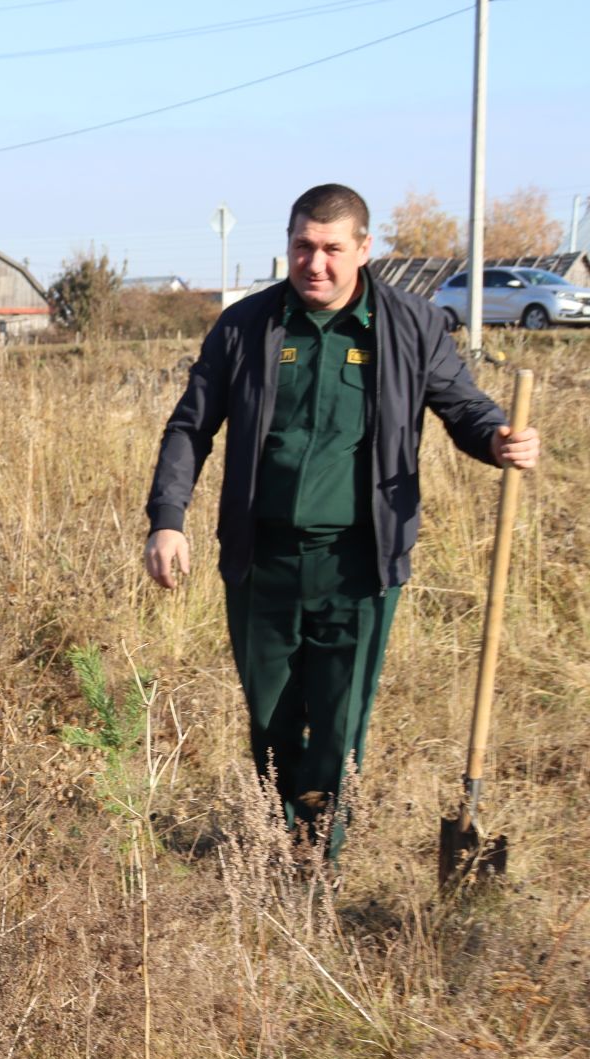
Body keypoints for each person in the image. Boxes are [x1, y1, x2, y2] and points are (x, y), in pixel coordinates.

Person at [143, 183, 539, 860]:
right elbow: (191, 426)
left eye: (331, 248)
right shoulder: (246, 328)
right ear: (288, 247)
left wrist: (498, 437)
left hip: (359, 563)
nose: (315, 263)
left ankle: (316, 857)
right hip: (261, 558)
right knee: (270, 716)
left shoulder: (412, 326)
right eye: (303, 246)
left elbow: (464, 407)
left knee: (338, 721)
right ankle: (281, 826)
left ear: (363, 248)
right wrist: (168, 518)